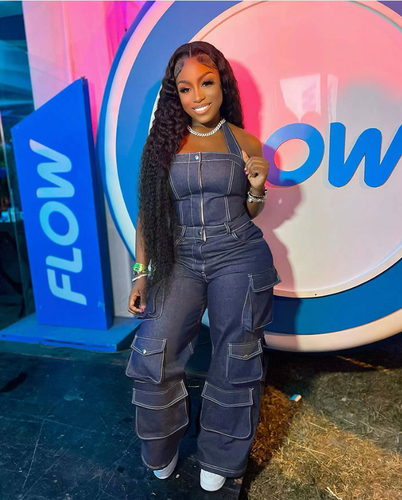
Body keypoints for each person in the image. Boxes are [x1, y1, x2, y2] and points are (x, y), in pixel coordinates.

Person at [126, 41, 281, 492]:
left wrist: (257, 188)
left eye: (207, 82)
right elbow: (148, 213)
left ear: (222, 83)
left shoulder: (245, 141)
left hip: (239, 253)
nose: (198, 96)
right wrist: (141, 273)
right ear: (174, 94)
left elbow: (250, 211)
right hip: (180, 258)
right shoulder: (161, 145)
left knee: (236, 358)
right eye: (185, 87)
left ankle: (220, 455)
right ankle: (163, 446)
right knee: (154, 353)